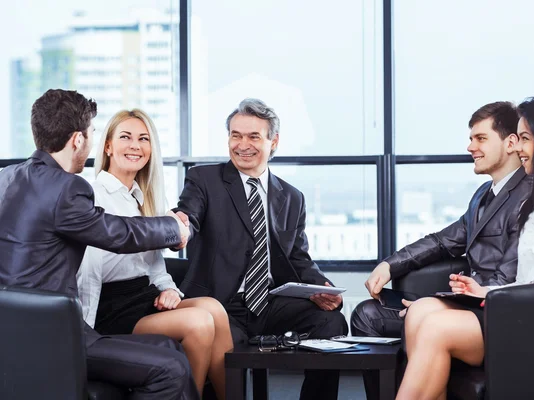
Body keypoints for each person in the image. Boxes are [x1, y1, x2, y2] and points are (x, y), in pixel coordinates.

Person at [396, 95, 534, 400]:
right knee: (421, 311)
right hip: (522, 313)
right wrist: (484, 290)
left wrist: (533, 288)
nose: (517, 147)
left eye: (525, 139)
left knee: (435, 327)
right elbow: (523, 280)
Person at [0, 89, 198, 400]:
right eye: (92, 134)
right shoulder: (67, 188)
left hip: (11, 331)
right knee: (171, 367)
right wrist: (174, 228)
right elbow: (118, 234)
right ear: (78, 140)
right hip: (53, 337)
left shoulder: (6, 178)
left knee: (166, 345)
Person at [173, 98, 348, 400]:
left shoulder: (292, 197)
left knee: (331, 322)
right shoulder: (204, 179)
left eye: (254, 136)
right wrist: (180, 226)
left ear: (273, 141)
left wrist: (322, 287)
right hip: (219, 304)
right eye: (235, 135)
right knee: (225, 352)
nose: (243, 145)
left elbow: (297, 257)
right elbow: (189, 216)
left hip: (269, 302)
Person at [76, 109, 233, 398]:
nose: (135, 145)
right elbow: (88, 271)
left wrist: (170, 289)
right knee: (198, 322)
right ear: (108, 146)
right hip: (110, 307)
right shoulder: (92, 194)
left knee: (214, 309)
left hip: (142, 298)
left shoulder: (144, 198)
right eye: (126, 137)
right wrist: (87, 328)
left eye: (143, 138)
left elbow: (156, 266)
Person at [352, 101, 531, 339]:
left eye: (480, 138)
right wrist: (389, 265)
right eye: (471, 139)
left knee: (378, 316)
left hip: (490, 305)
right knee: (367, 313)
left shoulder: (528, 195)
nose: (470, 147)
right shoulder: (483, 194)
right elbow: (441, 242)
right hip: (466, 296)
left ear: (510, 143)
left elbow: (508, 279)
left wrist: (438, 304)